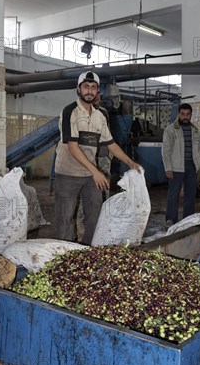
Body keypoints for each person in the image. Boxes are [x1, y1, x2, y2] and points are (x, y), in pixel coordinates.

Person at [54, 71, 141, 245]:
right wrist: (96, 171)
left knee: (95, 217)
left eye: (93, 87)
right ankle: (64, 258)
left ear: (97, 91)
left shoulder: (100, 116)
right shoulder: (70, 111)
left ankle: (88, 252)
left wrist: (131, 163)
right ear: (78, 89)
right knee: (65, 220)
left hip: (89, 175)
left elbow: (111, 144)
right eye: (86, 86)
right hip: (68, 174)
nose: (89, 91)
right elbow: (72, 146)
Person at [162, 103, 200, 226]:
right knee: (173, 194)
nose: (185, 117)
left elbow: (199, 148)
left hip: (191, 166)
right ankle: (171, 219)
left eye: (188, 114)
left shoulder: (195, 130)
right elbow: (166, 150)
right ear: (179, 114)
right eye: (183, 114)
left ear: (191, 115)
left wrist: (198, 164)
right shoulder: (170, 129)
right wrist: (168, 168)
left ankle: (188, 219)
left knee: (190, 194)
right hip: (176, 166)